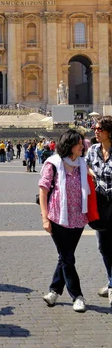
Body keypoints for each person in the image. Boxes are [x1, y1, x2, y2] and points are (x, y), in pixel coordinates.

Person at [38, 130, 89, 313]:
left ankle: (54, 291)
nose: (82, 147)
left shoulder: (82, 164)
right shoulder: (52, 164)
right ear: (69, 146)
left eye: (82, 143)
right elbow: (43, 191)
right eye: (78, 144)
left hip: (78, 218)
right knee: (68, 257)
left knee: (65, 257)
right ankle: (77, 296)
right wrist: (45, 218)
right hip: (57, 217)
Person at [85, 116, 112, 306]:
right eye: (95, 128)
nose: (95, 130)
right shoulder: (93, 150)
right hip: (101, 205)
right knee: (103, 246)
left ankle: (111, 285)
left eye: (99, 128)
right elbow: (84, 167)